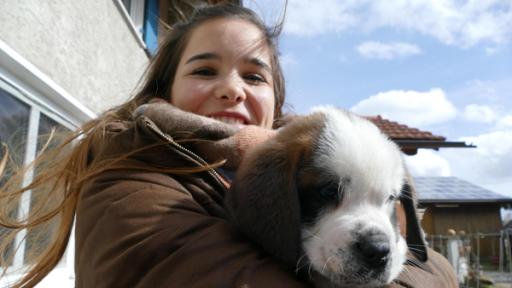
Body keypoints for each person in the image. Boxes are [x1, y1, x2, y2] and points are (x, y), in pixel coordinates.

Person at [0, 3, 457, 288]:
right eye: (205, 70)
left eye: (254, 76)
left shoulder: (303, 154)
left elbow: (430, 263)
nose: (232, 90)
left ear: (275, 99)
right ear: (164, 90)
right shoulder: (129, 174)